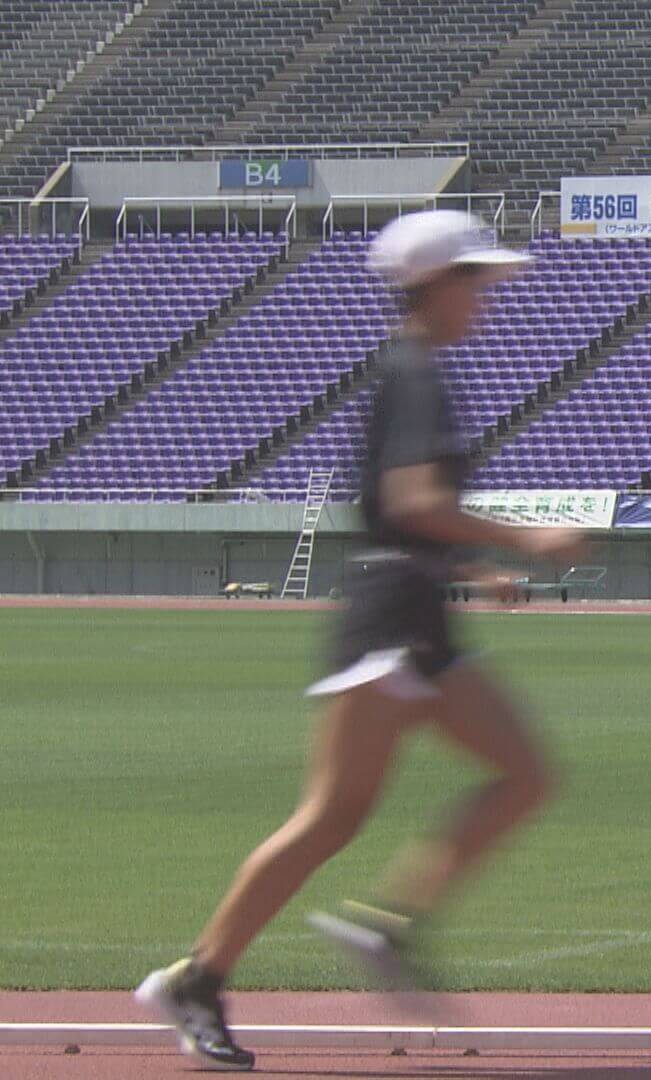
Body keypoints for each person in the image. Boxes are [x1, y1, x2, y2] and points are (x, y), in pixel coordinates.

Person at [135, 211, 584, 1071]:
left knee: (525, 774)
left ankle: (388, 926)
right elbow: (414, 503)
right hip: (388, 623)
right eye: (474, 281)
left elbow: (397, 515)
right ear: (434, 286)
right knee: (329, 818)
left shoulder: (417, 372)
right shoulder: (415, 373)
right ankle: (199, 976)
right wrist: (524, 541)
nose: (485, 299)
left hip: (417, 616)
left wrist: (473, 573)